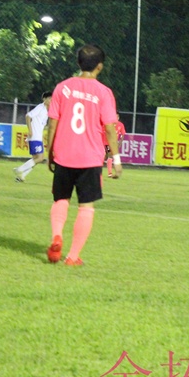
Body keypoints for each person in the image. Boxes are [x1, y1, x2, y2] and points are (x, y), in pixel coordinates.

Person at [46, 45, 122, 266]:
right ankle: (72, 256)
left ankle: (57, 235)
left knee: (61, 199)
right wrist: (116, 159)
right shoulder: (103, 92)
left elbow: (53, 124)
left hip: (64, 154)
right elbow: (110, 129)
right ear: (100, 66)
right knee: (86, 206)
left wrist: (50, 153)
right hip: (89, 157)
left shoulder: (62, 88)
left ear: (78, 63)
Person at [13, 91, 53, 182]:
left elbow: (41, 124)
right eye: (49, 98)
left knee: (35, 159)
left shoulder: (47, 111)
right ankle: (19, 169)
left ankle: (22, 176)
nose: (51, 101)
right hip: (35, 136)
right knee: (40, 158)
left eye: (52, 99)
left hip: (38, 137)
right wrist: (30, 130)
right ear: (44, 99)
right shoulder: (40, 107)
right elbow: (28, 116)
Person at [103, 113, 126, 177]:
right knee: (106, 156)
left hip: (112, 143)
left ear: (118, 118)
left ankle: (109, 173)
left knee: (109, 156)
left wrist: (120, 143)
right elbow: (102, 132)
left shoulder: (120, 125)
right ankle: (97, 167)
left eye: (117, 117)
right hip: (105, 142)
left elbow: (123, 134)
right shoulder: (108, 124)